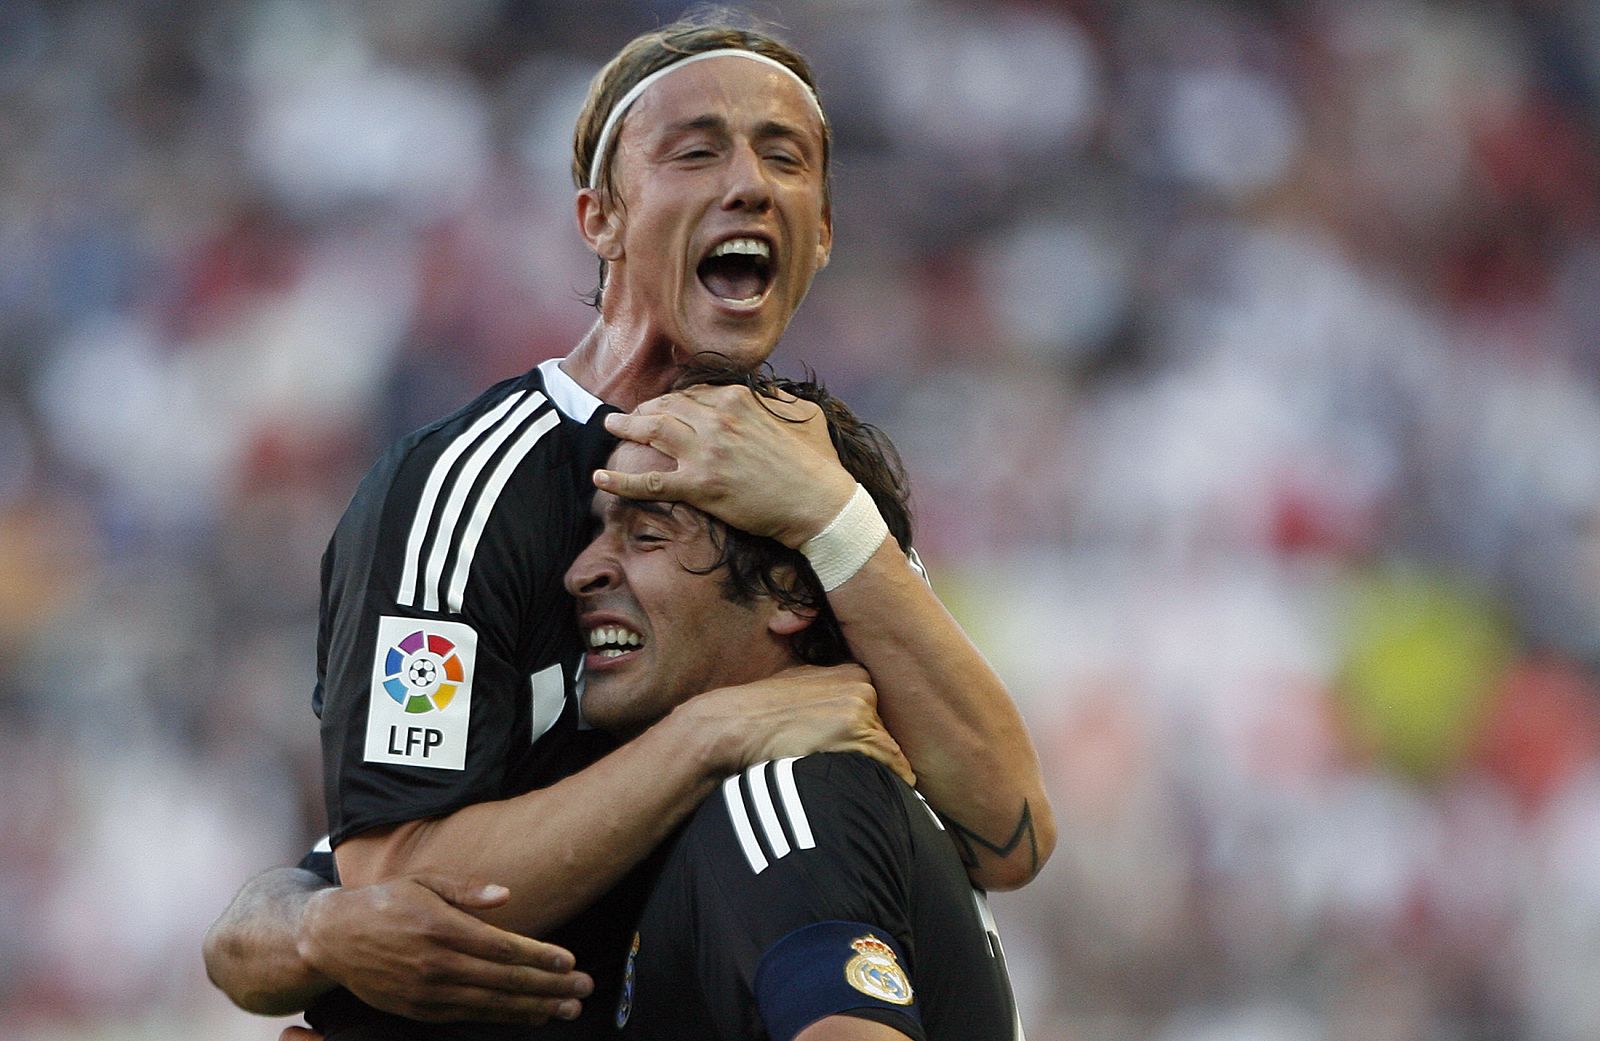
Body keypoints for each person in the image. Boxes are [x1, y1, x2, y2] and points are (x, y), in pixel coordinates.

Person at [204, 13, 1053, 1037]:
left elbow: (1002, 833)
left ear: (821, 231)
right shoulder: (463, 488)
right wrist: (713, 734)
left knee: (809, 793)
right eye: (696, 152)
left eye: (784, 158)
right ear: (598, 217)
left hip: (732, 988)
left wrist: (831, 519)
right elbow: (393, 892)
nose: (747, 184)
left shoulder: (826, 490)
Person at [579, 369, 1023, 1040]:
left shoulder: (789, 802)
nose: (583, 570)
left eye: (647, 536)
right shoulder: (821, 796)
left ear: (790, 593)